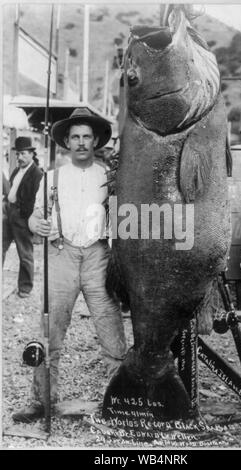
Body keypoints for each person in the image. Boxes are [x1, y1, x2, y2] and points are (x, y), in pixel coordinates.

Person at [12, 108, 127, 422]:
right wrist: (39, 225)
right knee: (51, 329)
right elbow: (34, 215)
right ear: (65, 141)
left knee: (111, 329)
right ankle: (40, 400)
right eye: (74, 137)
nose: (80, 142)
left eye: (86, 136)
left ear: (95, 141)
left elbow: (123, 217)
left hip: (97, 257)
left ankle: (121, 400)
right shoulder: (52, 176)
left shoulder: (108, 174)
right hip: (61, 255)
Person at [2, 137, 43, 297]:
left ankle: (25, 288)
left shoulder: (37, 174)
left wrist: (24, 215)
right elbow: (11, 190)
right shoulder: (16, 170)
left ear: (32, 154)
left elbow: (35, 199)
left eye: (23, 153)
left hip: (22, 217)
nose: (19, 157)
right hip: (8, 212)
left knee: (25, 253)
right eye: (18, 154)